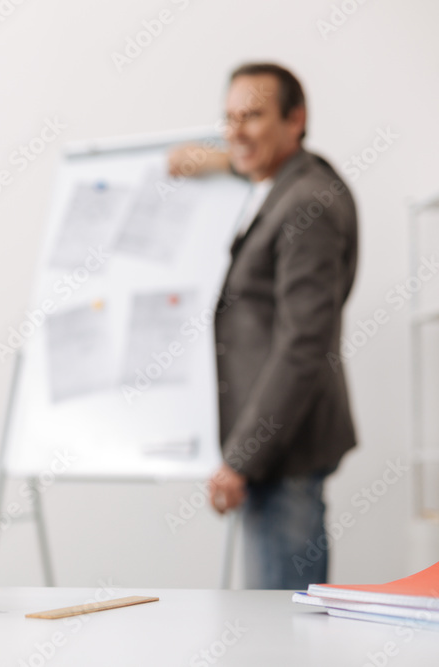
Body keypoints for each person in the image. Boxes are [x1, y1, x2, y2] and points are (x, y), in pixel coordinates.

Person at [169, 63, 358, 589]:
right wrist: (209, 159)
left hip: (282, 453)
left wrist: (241, 459)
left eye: (252, 116)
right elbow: (244, 156)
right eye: (229, 118)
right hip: (276, 451)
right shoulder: (290, 178)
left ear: (296, 119)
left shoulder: (309, 205)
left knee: (281, 632)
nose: (237, 132)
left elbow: (304, 346)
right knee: (274, 623)